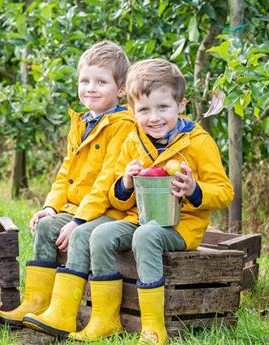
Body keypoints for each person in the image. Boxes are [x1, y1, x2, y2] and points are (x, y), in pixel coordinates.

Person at [73, 59, 234, 344]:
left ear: (181, 105)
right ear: (132, 111)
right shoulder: (134, 142)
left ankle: (152, 327)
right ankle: (105, 318)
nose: (154, 118)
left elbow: (224, 191)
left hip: (182, 226)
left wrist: (195, 190)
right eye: (144, 110)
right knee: (100, 234)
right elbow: (118, 202)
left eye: (163, 108)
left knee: (147, 235)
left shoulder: (197, 142)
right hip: (139, 218)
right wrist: (125, 184)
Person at [0, 41, 135, 335]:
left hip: (110, 209)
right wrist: (51, 206)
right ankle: (37, 302)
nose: (90, 88)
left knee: (81, 235)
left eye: (101, 82)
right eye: (84, 81)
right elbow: (66, 173)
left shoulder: (122, 125)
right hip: (79, 209)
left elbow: (106, 181)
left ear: (120, 90)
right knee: (47, 227)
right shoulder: (82, 122)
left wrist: (78, 221)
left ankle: (65, 312)